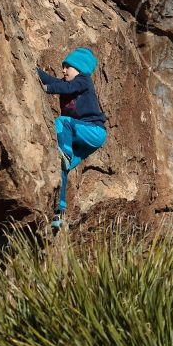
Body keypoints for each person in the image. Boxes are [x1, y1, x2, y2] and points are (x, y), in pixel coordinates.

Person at [37, 47, 107, 229]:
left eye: (67, 67)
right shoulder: (69, 83)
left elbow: (62, 87)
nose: (63, 70)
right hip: (83, 137)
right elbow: (55, 82)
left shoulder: (83, 80)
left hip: (94, 131)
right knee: (61, 169)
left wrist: (47, 89)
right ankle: (58, 213)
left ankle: (65, 154)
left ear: (80, 69)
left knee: (63, 122)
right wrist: (35, 73)